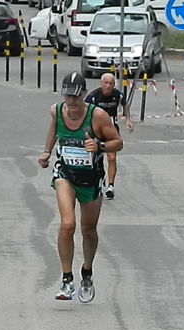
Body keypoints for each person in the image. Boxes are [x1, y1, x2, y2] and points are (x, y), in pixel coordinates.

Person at [38, 71, 123, 302]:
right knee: (67, 224)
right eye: (68, 97)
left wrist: (99, 146)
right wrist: (47, 152)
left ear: (85, 94)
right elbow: (54, 128)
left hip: (91, 179)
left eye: (76, 97)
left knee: (88, 230)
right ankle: (67, 280)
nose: (72, 102)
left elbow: (118, 143)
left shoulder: (98, 116)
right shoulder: (56, 111)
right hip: (65, 173)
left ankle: (86, 271)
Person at [85, 72, 133, 200]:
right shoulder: (94, 96)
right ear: (101, 84)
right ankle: (100, 179)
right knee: (96, 158)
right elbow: (84, 109)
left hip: (111, 128)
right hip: (97, 129)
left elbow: (125, 104)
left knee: (111, 158)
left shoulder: (118, 95)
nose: (108, 86)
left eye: (111, 83)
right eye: (105, 83)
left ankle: (111, 186)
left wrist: (128, 119)